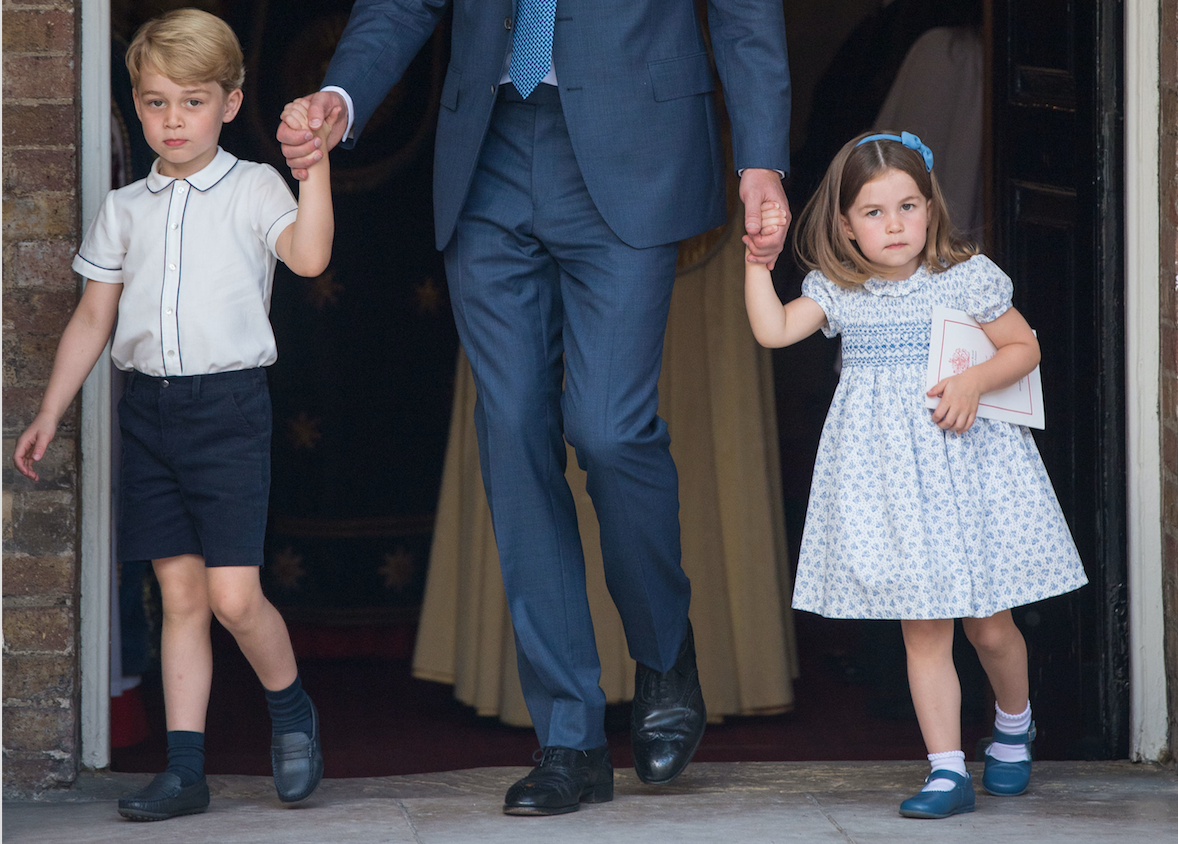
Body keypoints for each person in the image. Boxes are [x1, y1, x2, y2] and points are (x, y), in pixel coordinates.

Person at [277, 0, 791, 816]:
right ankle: (569, 739)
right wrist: (342, 95)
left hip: (638, 145)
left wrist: (761, 157)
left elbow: (742, 13)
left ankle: (664, 648)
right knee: (512, 433)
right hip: (489, 150)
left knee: (610, 430)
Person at [12, 9, 335, 821]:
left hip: (227, 412)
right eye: (155, 103)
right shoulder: (127, 207)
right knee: (180, 594)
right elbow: (93, 318)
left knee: (232, 597)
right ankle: (185, 769)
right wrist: (52, 408)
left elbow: (309, 256)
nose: (172, 121)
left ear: (229, 103)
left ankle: (291, 707)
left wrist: (315, 168)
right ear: (136, 103)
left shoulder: (256, 185)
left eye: (191, 102)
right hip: (148, 414)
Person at [744, 132, 1088, 819]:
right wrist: (758, 263)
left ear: (930, 207)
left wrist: (975, 382)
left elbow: (1024, 347)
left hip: (969, 473)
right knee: (923, 629)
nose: (894, 224)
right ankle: (946, 769)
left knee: (989, 626)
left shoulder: (966, 277)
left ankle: (1014, 725)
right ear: (845, 225)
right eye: (873, 212)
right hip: (892, 484)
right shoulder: (842, 291)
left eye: (907, 205)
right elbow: (775, 330)